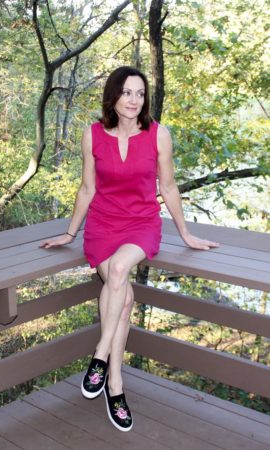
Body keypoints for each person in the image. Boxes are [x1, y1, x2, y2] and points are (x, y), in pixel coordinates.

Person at [40, 66, 219, 432]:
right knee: (124, 298)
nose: (134, 100)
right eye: (126, 92)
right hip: (103, 226)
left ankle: (100, 356)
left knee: (119, 272)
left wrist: (184, 234)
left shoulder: (158, 135)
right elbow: (86, 189)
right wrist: (71, 233)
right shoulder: (92, 135)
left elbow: (168, 187)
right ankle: (116, 386)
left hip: (141, 225)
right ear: (113, 96)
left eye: (140, 93)